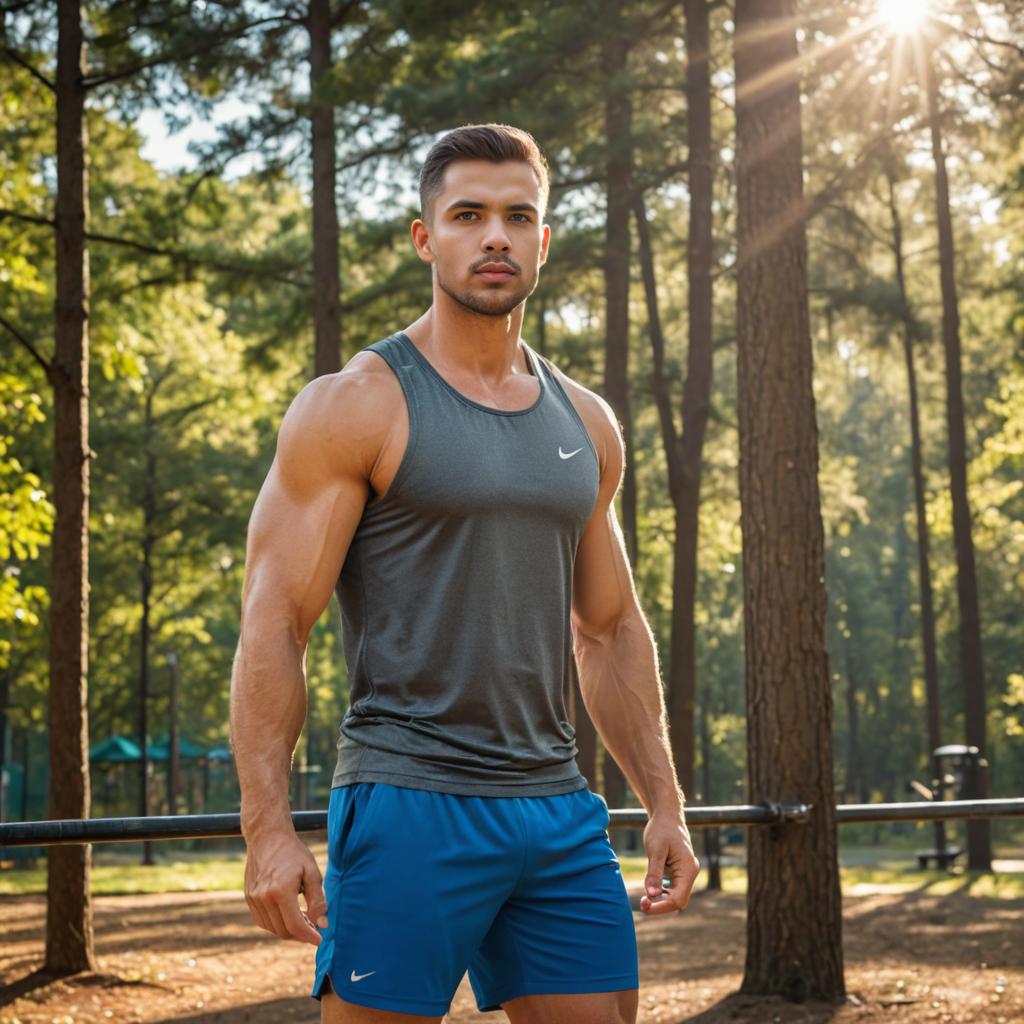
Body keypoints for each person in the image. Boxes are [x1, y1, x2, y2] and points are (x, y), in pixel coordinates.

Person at [230, 122, 699, 1024]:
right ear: (425, 237)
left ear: (544, 241)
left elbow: (607, 629)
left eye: (519, 216)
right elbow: (275, 620)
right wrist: (267, 828)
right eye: (469, 214)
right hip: (410, 800)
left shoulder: (588, 422)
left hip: (558, 809)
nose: (495, 236)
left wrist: (666, 804)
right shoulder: (355, 405)